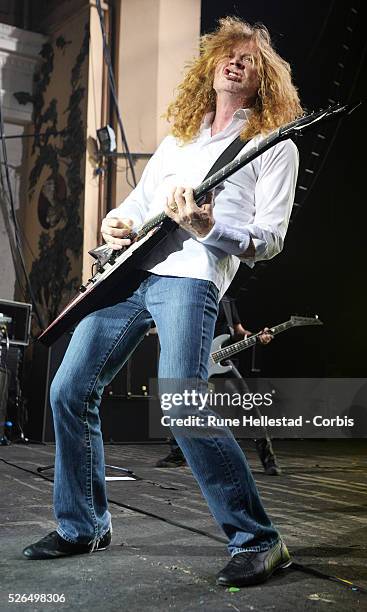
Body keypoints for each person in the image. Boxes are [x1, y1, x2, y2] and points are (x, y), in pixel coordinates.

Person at [23, 16, 302, 588]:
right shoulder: (179, 139)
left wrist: (206, 227)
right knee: (69, 390)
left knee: (182, 405)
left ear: (264, 79)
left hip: (192, 278)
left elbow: (268, 241)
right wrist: (118, 219)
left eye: (248, 59)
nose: (234, 62)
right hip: (132, 275)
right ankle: (83, 527)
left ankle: (260, 540)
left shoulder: (273, 147)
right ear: (210, 66)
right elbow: (139, 202)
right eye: (227, 54)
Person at [156, 293, 282, 475]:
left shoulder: (227, 300)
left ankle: (269, 460)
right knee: (180, 404)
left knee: (250, 407)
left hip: (222, 363)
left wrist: (256, 336)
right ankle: (177, 454)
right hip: (195, 361)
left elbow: (238, 332)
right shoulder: (189, 293)